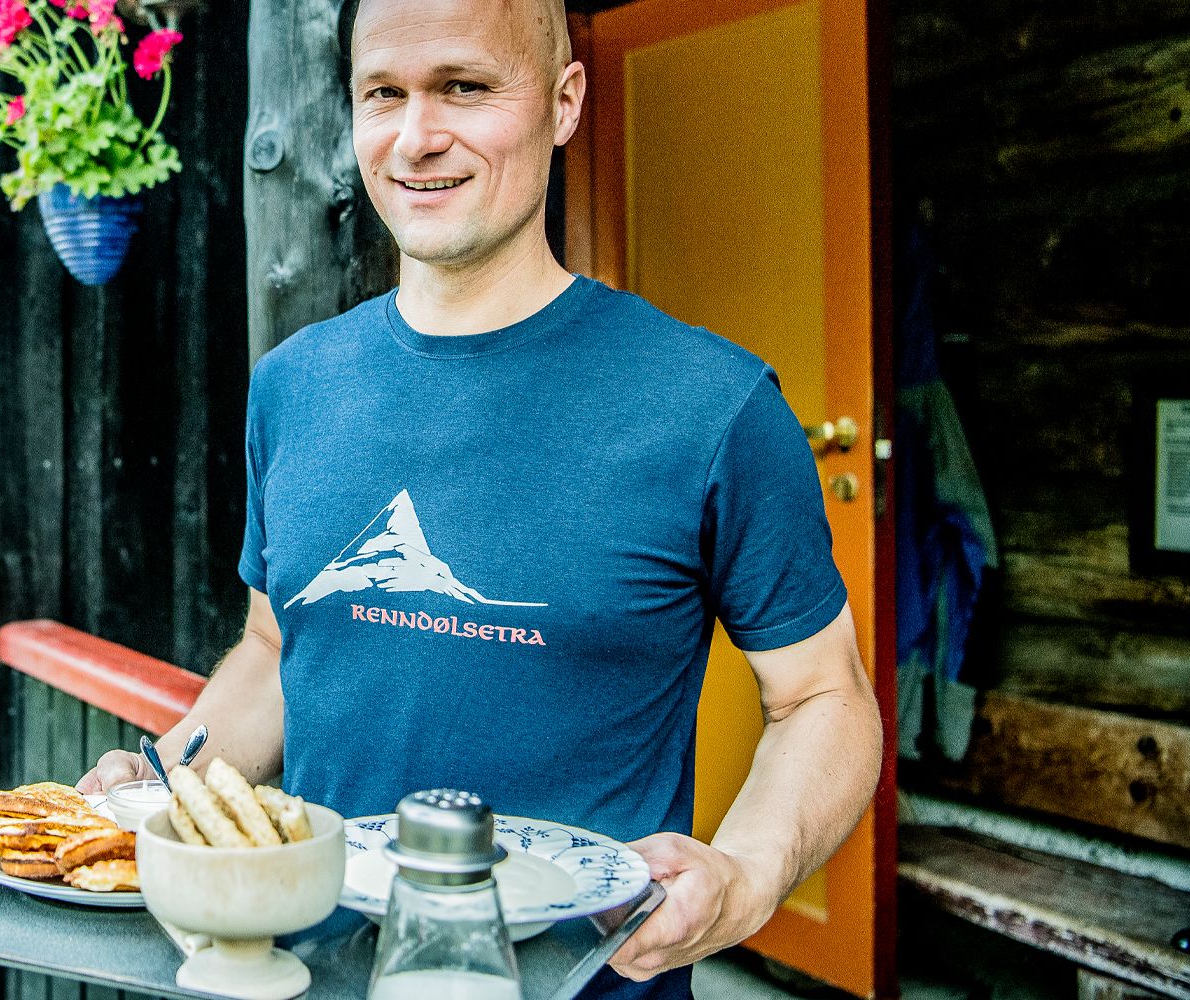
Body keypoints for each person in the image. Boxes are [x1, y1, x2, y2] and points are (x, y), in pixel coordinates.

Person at [79, 0, 883, 996]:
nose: (416, 137)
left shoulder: (708, 405)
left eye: (463, 86)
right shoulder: (294, 385)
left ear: (562, 101)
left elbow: (821, 697)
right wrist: (163, 786)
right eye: (384, 94)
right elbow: (272, 651)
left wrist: (747, 873)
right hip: (309, 972)